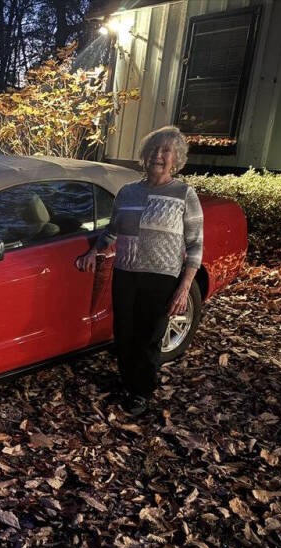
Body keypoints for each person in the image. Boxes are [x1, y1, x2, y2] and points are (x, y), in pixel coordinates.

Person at [76, 126, 203, 416]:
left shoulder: (184, 194)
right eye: (153, 150)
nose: (158, 155)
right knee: (124, 333)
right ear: (144, 156)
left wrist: (184, 288)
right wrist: (94, 251)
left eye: (165, 151)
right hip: (126, 273)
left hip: (162, 279)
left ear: (176, 158)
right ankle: (126, 381)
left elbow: (196, 246)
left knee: (148, 337)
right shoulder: (128, 192)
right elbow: (112, 231)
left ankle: (141, 392)